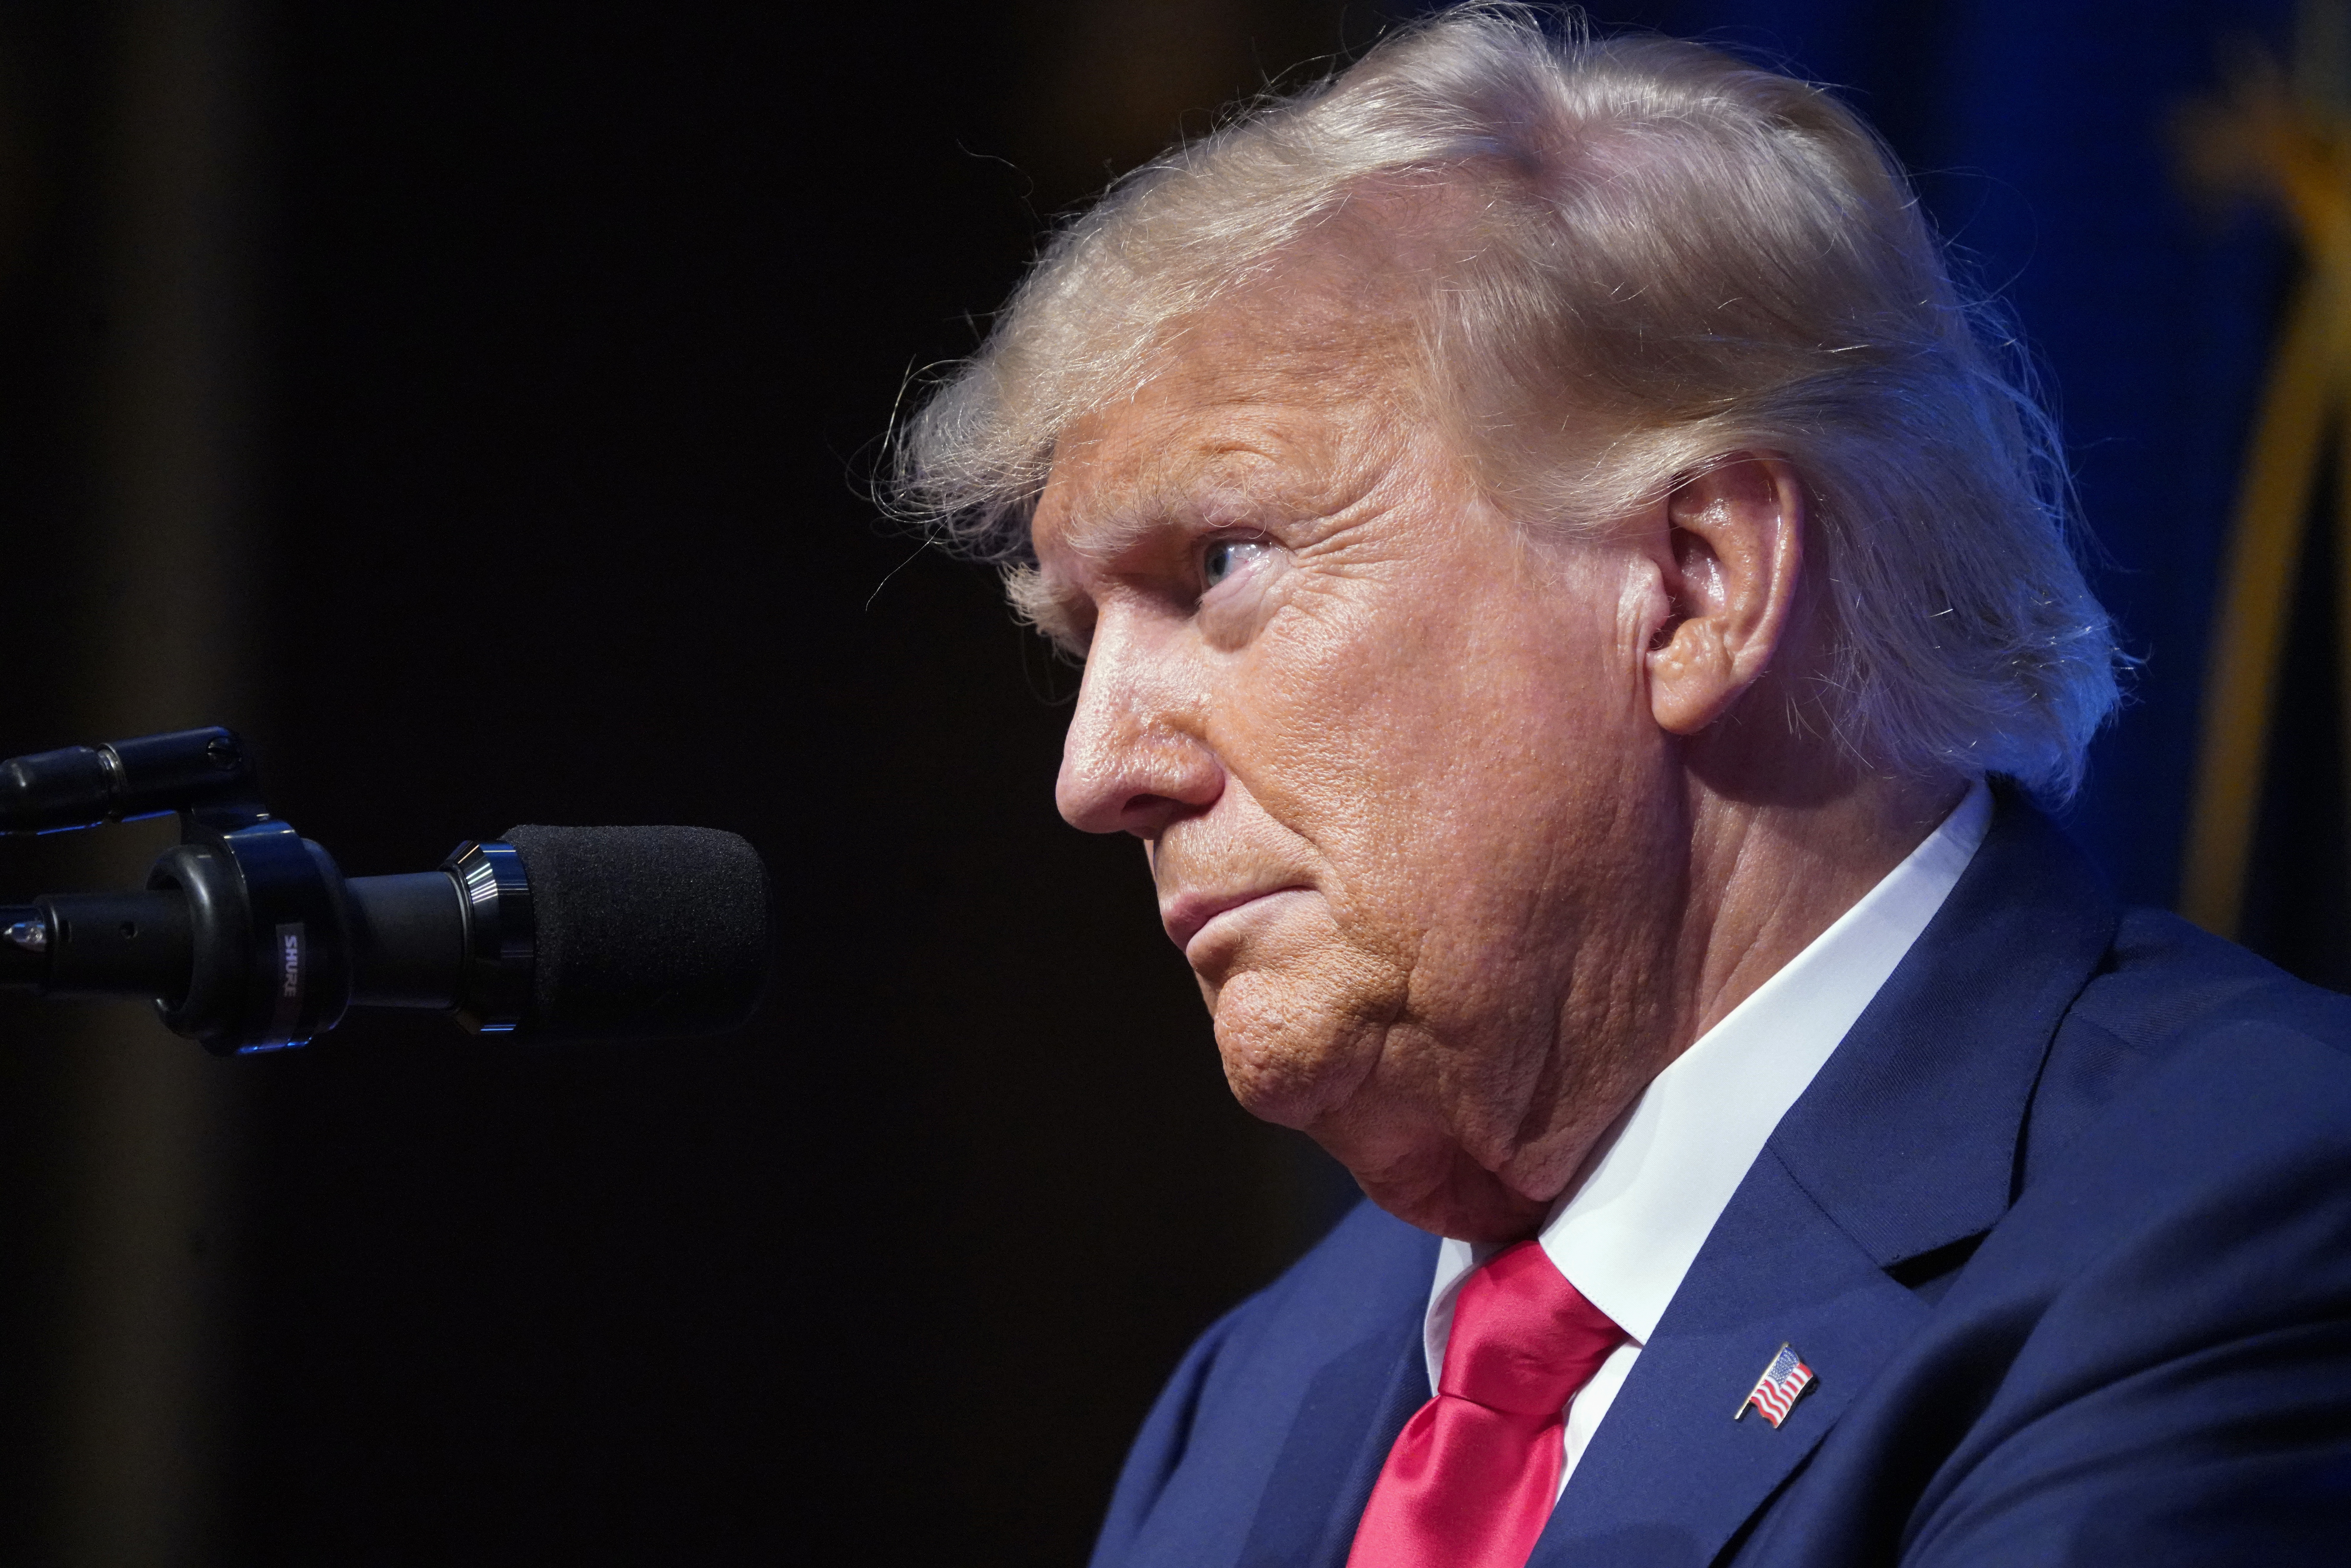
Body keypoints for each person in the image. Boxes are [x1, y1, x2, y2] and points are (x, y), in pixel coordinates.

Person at [895, 6, 2351, 1565]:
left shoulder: (2233, 1211)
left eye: (1221, 562)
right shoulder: (1249, 1402)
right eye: (1082, 632)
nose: (1098, 770)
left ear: (1697, 581)